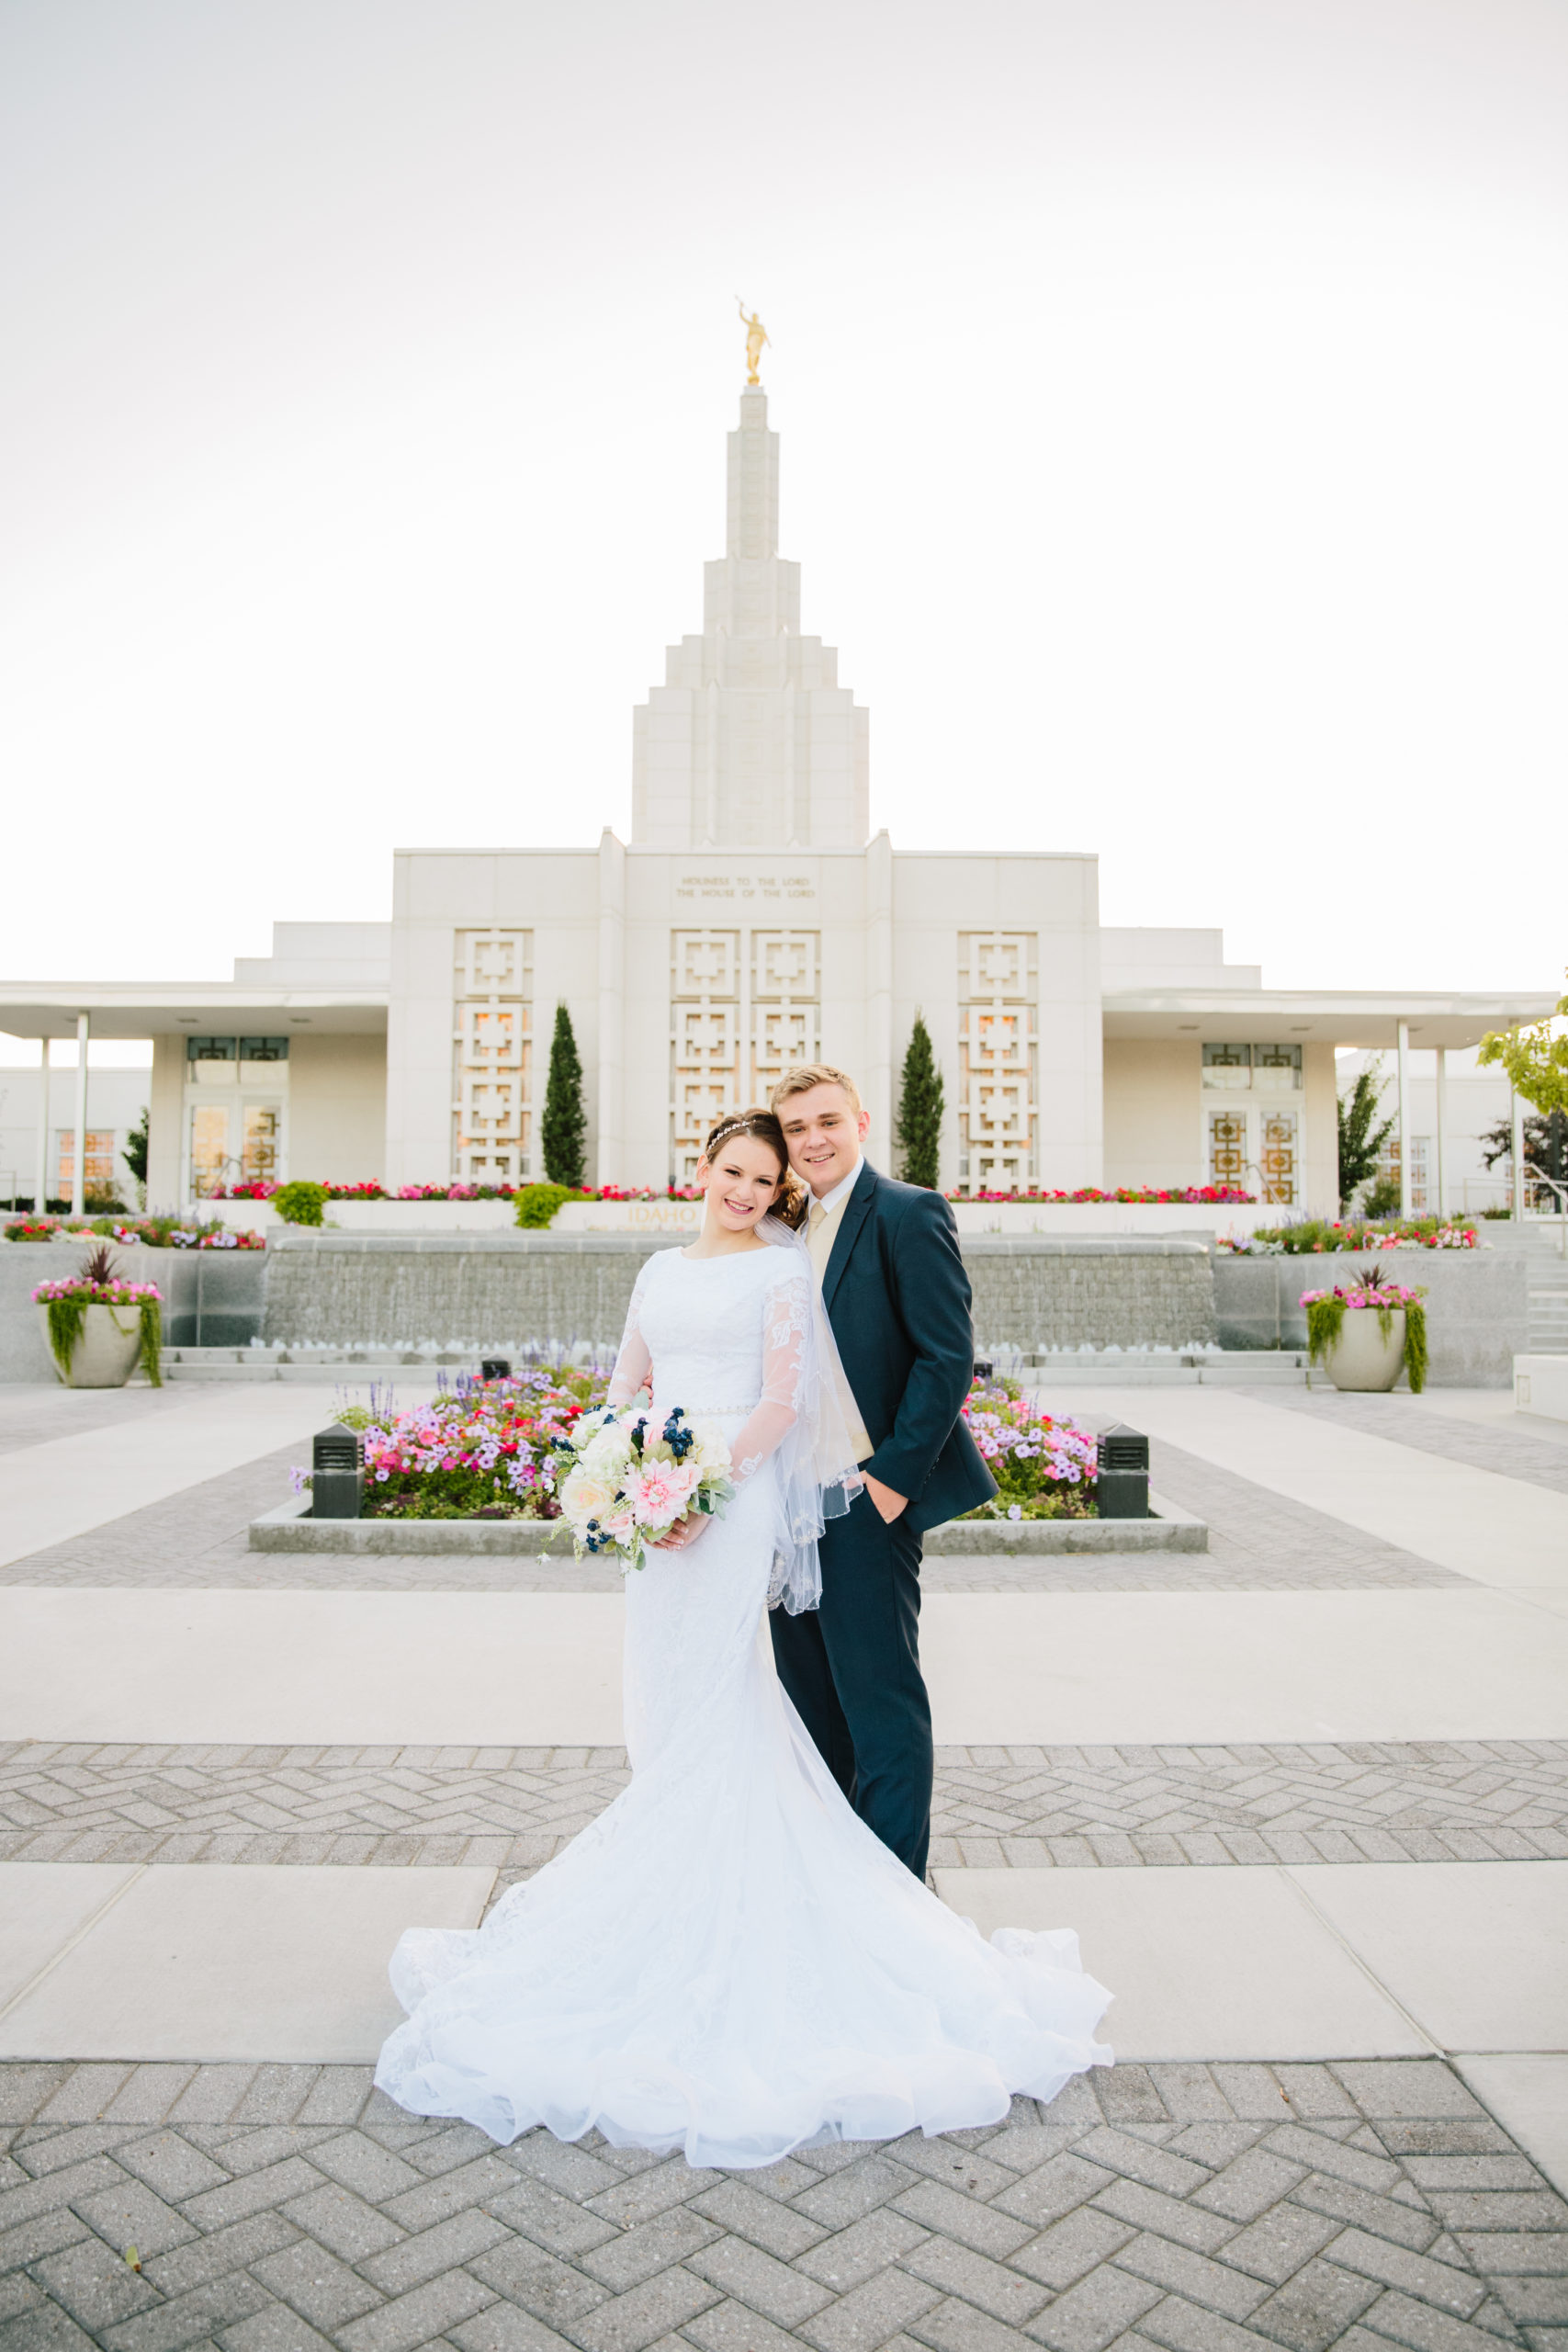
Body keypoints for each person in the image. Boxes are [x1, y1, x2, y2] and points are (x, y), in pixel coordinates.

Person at [375, 1107, 1111, 2169]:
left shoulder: (779, 1274)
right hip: (659, 1501)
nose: (749, 1189)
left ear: (780, 1191)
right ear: (705, 1169)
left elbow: (782, 1399)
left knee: (745, 1694)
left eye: (767, 1178)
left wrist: (698, 1482)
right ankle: (667, 1895)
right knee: (667, 1692)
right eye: (737, 1170)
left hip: (732, 1502)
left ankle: (822, 1909)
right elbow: (626, 1383)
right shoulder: (657, 1272)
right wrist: (623, 1471)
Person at [770, 1063, 993, 1879]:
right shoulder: (783, 1228)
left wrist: (891, 1483)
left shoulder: (907, 1211)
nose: (813, 1140)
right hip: (786, 1511)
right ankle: (836, 1887)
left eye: (826, 1121)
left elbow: (946, 1356)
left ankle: (894, 1902)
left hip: (864, 1501)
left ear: (860, 1120)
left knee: (882, 1711)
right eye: (795, 1129)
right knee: (812, 1710)